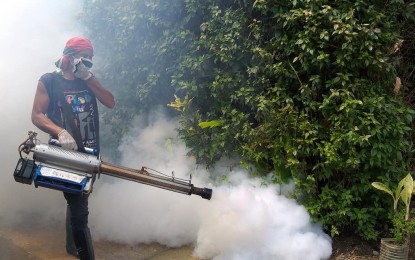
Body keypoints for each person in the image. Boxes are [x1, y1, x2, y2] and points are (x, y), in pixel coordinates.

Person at [31, 36, 115, 260]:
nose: (87, 62)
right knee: (80, 211)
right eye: (84, 57)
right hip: (64, 153)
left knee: (80, 196)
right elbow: (37, 115)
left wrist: (88, 77)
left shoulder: (87, 80)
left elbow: (110, 101)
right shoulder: (48, 80)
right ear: (69, 56)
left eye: (90, 59)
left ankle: (71, 246)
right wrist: (59, 131)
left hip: (90, 152)